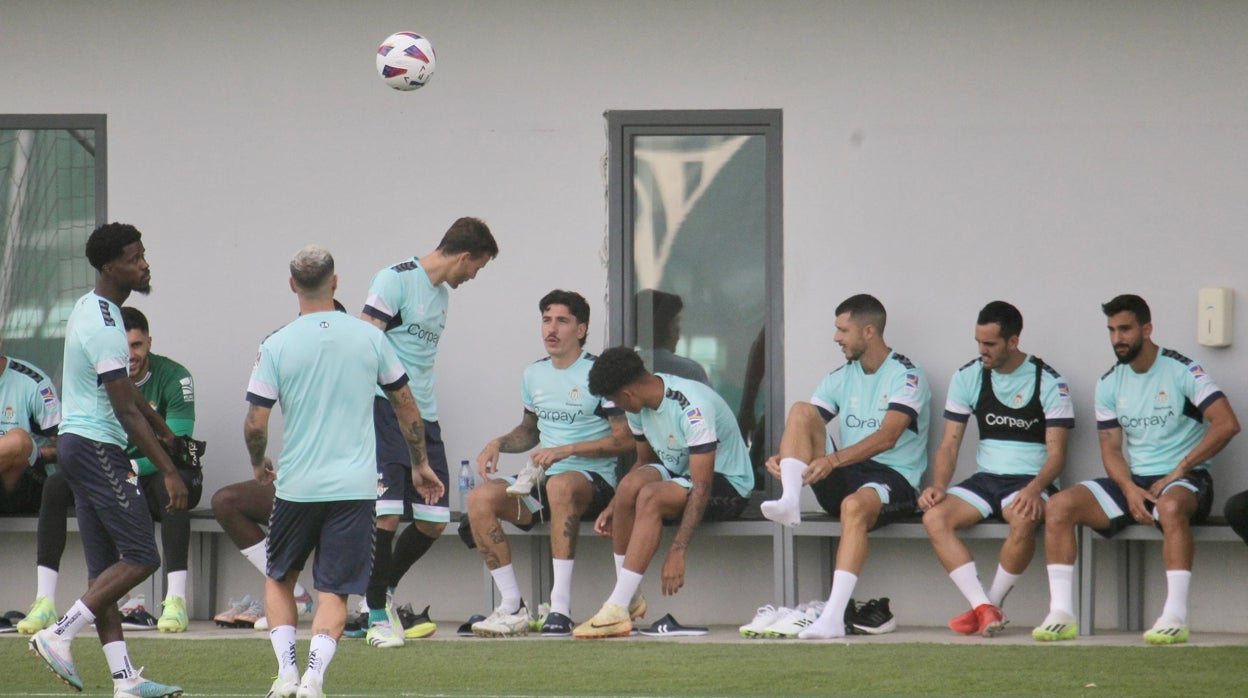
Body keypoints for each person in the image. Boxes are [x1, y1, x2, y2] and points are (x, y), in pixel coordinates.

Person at [245, 246, 443, 698]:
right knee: (334, 589)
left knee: (280, 579)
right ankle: (315, 678)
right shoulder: (372, 339)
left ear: (292, 285)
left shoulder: (276, 343)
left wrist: (259, 463)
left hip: (297, 487)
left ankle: (287, 674)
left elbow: (256, 422)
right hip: (355, 488)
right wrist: (420, 464)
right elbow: (406, 405)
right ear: (336, 283)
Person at [29, 222, 187, 698]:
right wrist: (171, 469)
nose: (144, 263)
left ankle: (125, 680)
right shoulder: (104, 325)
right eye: (135, 257)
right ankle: (58, 632)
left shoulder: (98, 310)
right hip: (98, 448)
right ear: (109, 266)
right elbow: (122, 407)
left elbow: (128, 397)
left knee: (104, 575)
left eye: (143, 254)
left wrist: (163, 428)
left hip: (82, 446)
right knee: (141, 556)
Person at [1033, 294, 1240, 645]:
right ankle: (1062, 614)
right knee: (1059, 505)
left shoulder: (1182, 369)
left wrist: (1179, 470)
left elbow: (1227, 423)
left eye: (1125, 329)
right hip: (1137, 482)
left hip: (1186, 479)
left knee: (1171, 506)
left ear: (1147, 328)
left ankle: (1175, 615)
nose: (1118, 338)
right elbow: (1110, 448)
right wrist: (1128, 489)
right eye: (1112, 330)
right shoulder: (1110, 382)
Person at [17, 306, 204, 636]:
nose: (131, 355)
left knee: (175, 485)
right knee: (56, 486)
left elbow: (173, 449)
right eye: (125, 347)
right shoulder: (99, 376)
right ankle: (44, 601)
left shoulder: (175, 377)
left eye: (138, 346)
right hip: (112, 473)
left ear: (149, 342)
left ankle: (175, 599)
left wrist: (126, 467)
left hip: (147, 474)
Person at [358, 216, 497, 648]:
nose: (474, 277)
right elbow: (365, 343)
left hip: (424, 417)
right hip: (385, 409)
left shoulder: (441, 296)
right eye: (477, 267)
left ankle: (379, 590)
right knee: (389, 512)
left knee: (434, 518)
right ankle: (376, 614)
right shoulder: (394, 279)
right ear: (463, 256)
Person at [759, 293, 930, 639]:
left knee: (853, 506)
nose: (836, 338)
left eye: (843, 330)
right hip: (851, 474)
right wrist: (786, 460)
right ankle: (790, 498)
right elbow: (805, 426)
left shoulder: (907, 375)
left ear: (869, 331)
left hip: (892, 481)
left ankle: (833, 617)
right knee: (800, 410)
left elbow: (888, 437)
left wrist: (832, 460)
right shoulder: (842, 376)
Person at [467, 290, 633, 636]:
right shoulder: (534, 374)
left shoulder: (597, 374)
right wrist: (497, 443)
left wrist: (565, 450)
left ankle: (560, 607)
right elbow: (530, 432)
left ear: (581, 329)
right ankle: (512, 605)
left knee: (560, 484)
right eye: (546, 320)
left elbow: (624, 440)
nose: (551, 330)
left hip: (592, 485)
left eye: (562, 321)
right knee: (480, 498)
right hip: (544, 484)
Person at [572, 346, 753, 639]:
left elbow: (703, 486)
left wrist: (678, 551)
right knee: (630, 486)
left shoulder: (692, 407)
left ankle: (616, 605)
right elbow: (645, 463)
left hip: (728, 485)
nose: (615, 407)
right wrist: (616, 505)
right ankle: (628, 600)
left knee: (650, 496)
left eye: (614, 400)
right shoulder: (638, 405)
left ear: (627, 394)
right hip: (683, 476)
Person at [919, 301, 1073, 637]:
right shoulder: (968, 376)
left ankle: (991, 604)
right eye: (978, 342)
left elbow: (1057, 453)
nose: (981, 350)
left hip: (1030, 481)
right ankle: (984, 608)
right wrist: (940, 485)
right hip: (985, 480)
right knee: (934, 516)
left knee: (1024, 517)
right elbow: (949, 443)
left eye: (989, 344)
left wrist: (1034, 490)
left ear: (1013, 342)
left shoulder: (1048, 381)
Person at [209, 299, 352, 632]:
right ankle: (295, 593)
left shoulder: (363, 363)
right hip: (300, 483)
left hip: (351, 487)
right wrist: (260, 462)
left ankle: (375, 610)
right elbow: (257, 420)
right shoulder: (289, 353)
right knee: (226, 500)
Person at [0, 330, 61, 519]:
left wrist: (33, 452)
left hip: (26, 481)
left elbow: (67, 447)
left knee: (18, 441)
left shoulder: (33, 382)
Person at [634, 289, 709, 384]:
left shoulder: (623, 370)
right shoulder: (692, 372)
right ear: (671, 328)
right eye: (676, 322)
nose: (678, 331)